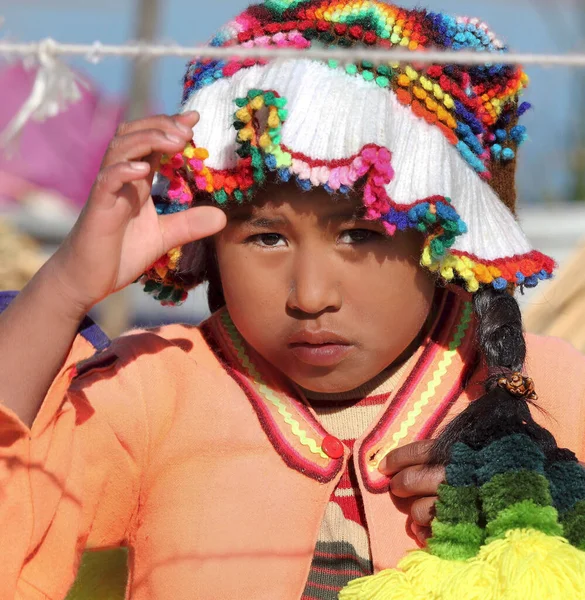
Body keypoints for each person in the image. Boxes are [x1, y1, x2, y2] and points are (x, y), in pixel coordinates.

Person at [2, 1, 585, 599]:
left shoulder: (552, 389)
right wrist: (66, 285)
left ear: (444, 233)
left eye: (360, 233)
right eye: (266, 236)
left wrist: (541, 528)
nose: (310, 296)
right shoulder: (157, 390)